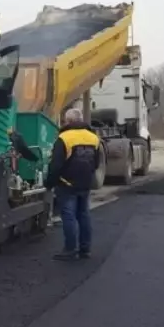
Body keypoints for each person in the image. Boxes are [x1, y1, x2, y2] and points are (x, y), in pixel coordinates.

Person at [45, 108, 101, 261]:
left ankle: (70, 249)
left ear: (68, 121)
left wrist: (49, 183)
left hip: (67, 184)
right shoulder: (93, 138)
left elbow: (55, 165)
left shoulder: (64, 138)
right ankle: (85, 249)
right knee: (84, 215)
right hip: (85, 184)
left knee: (69, 216)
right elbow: (96, 163)